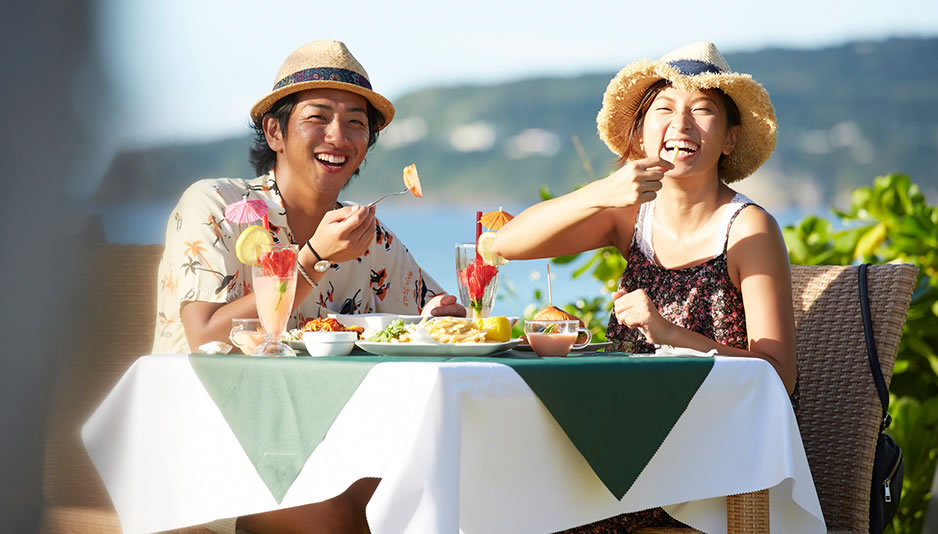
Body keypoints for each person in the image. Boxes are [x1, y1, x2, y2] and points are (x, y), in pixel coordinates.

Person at [152, 40, 464, 533]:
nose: (338, 135)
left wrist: (446, 317)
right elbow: (206, 336)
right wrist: (314, 259)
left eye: (356, 122)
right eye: (318, 117)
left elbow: (441, 318)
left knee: (440, 492)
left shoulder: (369, 237)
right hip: (211, 445)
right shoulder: (218, 206)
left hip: (325, 445)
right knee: (347, 515)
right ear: (275, 131)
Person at [494, 42, 798, 532]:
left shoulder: (748, 229)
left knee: (546, 507)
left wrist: (671, 335)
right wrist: (602, 192)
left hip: (713, 448)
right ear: (641, 134)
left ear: (729, 138)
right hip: (627, 434)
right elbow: (506, 243)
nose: (680, 126)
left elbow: (778, 375)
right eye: (664, 109)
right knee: (499, 477)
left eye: (702, 111)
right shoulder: (631, 216)